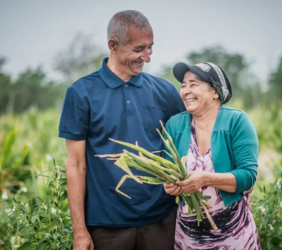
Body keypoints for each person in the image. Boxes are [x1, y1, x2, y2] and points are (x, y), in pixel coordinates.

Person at [58, 10, 185, 250]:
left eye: (151, 48)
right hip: (105, 225)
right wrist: (79, 231)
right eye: (139, 49)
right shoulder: (81, 93)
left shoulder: (165, 92)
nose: (147, 57)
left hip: (162, 220)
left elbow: (193, 141)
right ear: (113, 45)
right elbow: (75, 165)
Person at [163, 62, 261, 250]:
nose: (186, 91)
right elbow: (168, 173)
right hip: (189, 235)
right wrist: (170, 185)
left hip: (234, 232)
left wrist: (205, 179)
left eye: (194, 84)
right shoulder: (174, 125)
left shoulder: (237, 121)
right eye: (183, 85)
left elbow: (248, 176)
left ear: (215, 91)